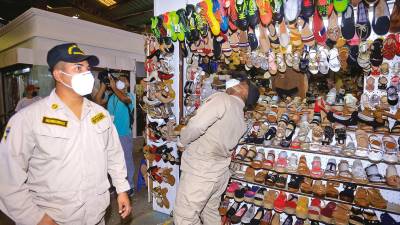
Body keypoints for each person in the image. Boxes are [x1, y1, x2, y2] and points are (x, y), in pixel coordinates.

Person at [0, 43, 132, 225]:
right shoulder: (28, 119)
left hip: (97, 216)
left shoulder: (99, 114)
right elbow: (7, 179)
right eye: (78, 68)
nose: (87, 74)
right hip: (54, 219)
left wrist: (122, 189)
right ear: (58, 74)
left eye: (87, 68)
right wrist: (36, 218)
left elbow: (114, 154)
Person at [173, 76, 260, 225]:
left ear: (245, 92)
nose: (236, 83)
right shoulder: (241, 118)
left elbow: (196, 126)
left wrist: (182, 141)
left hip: (201, 171)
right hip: (220, 173)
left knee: (184, 217)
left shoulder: (223, 99)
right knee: (210, 212)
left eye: (242, 83)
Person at [95, 72, 135, 195]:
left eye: (123, 79)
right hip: (110, 134)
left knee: (126, 160)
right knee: (111, 161)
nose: (120, 81)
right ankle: (115, 184)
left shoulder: (130, 96)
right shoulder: (112, 97)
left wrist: (113, 87)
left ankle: (129, 186)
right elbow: (97, 101)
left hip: (124, 134)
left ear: (127, 83)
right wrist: (103, 86)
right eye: (119, 79)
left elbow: (124, 99)